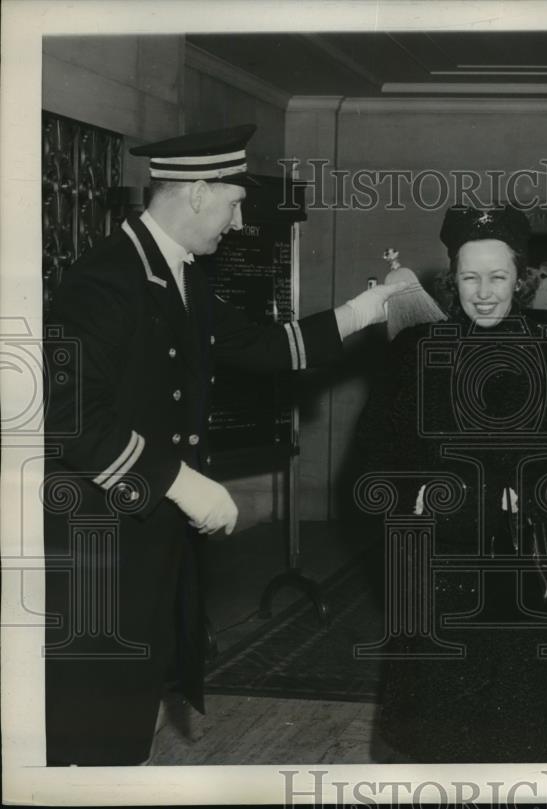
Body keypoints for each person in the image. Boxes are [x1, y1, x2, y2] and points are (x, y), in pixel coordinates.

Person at [43, 124, 404, 766]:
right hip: (100, 535)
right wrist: (178, 480)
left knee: (133, 699)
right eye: (235, 203)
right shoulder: (106, 279)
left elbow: (261, 348)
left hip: (147, 528)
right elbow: (69, 416)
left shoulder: (181, 276)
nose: (238, 224)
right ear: (199, 193)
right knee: (90, 713)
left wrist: (365, 310)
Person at [356, 204, 547, 762]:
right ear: (451, 279)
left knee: (525, 733)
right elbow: (372, 461)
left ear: (522, 278)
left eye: (497, 277)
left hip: (526, 575)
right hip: (439, 573)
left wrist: (541, 488)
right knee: (440, 736)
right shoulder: (413, 354)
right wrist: (410, 503)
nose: (483, 293)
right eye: (469, 277)